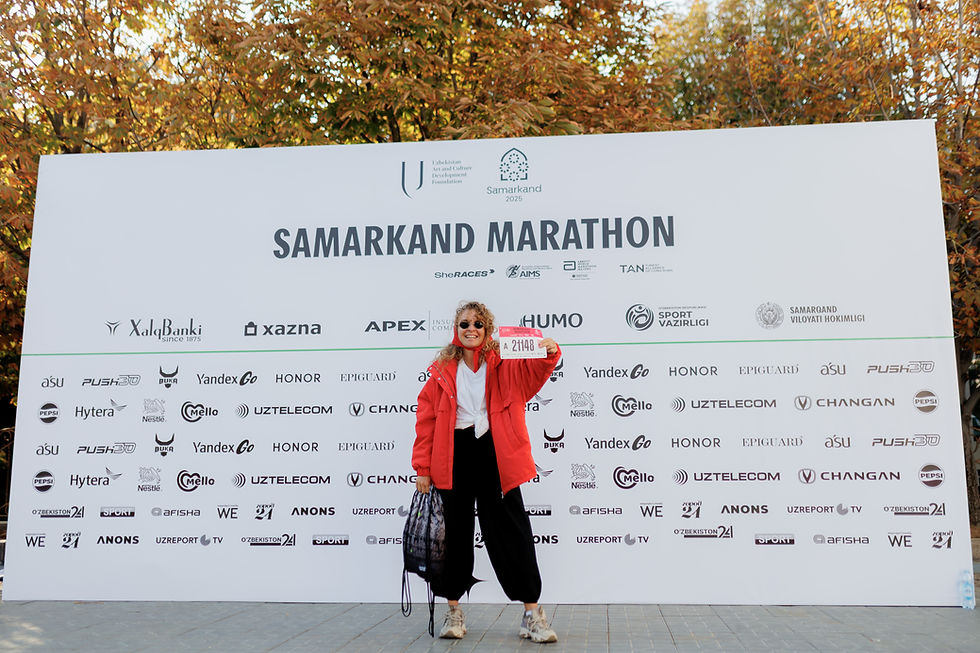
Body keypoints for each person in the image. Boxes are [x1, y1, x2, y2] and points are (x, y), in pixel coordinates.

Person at [412, 300, 560, 643]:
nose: (471, 329)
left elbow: (536, 374)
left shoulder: (506, 363)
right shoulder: (442, 370)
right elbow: (426, 420)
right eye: (464, 324)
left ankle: (531, 614)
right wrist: (422, 466)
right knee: (454, 535)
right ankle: (453, 611)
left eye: (478, 324)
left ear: (487, 330)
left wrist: (550, 353)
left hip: (497, 453)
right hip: (454, 454)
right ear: (456, 329)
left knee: (512, 532)